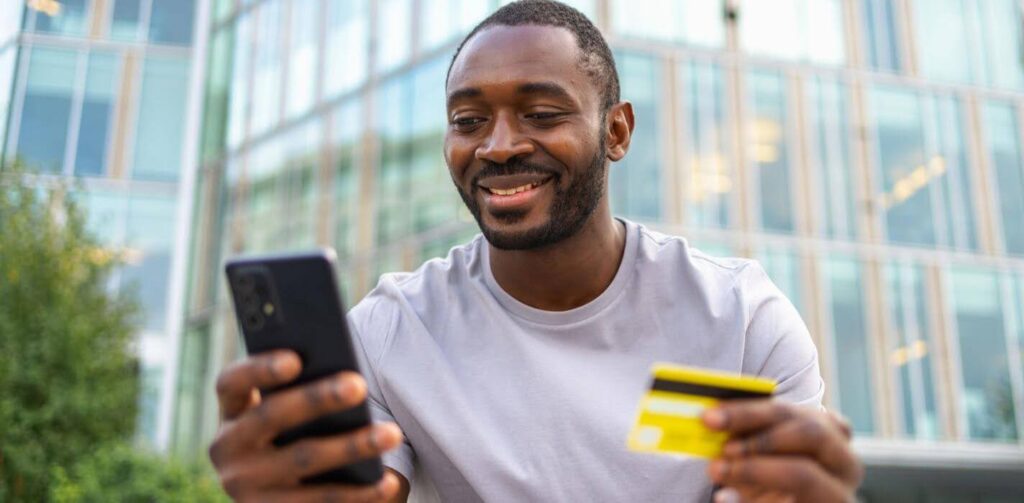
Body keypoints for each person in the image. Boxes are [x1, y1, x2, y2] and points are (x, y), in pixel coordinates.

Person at [208, 1, 862, 501]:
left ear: (616, 130)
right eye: (468, 121)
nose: (496, 146)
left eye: (541, 113)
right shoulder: (390, 332)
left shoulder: (740, 317)